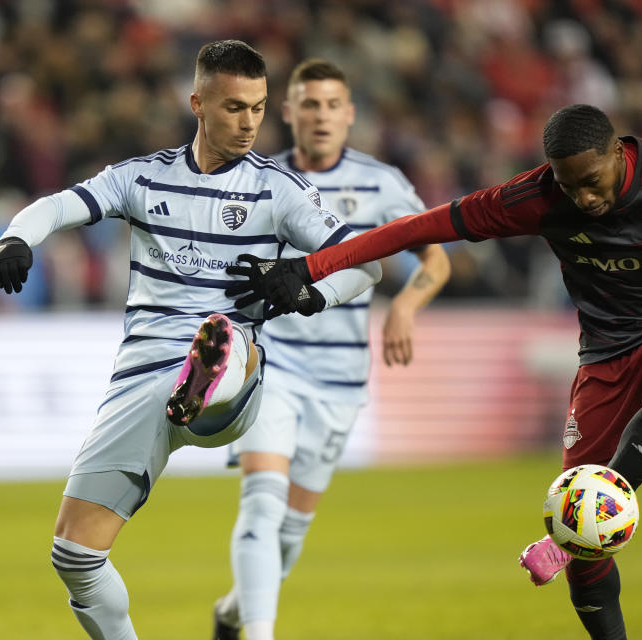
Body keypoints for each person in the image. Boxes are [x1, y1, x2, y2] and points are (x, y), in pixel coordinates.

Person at [224, 104, 642, 640]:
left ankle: (609, 494)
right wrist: (308, 268)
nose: (582, 196)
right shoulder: (538, 196)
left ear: (617, 154)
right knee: (586, 554)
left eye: (592, 180)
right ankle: (592, 554)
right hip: (606, 353)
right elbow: (418, 227)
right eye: (567, 183)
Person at [0, 40, 382, 640]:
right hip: (141, 383)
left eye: (258, 107)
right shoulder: (141, 178)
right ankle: (198, 375)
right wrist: (15, 238)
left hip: (233, 382)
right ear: (197, 103)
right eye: (233, 108)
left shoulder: (280, 191)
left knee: (225, 334)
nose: (249, 122)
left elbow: (364, 264)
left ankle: (210, 368)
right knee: (74, 557)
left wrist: (307, 289)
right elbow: (58, 206)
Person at [211, 59, 450, 640]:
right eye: (308, 104)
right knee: (262, 504)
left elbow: (435, 257)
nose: (320, 116)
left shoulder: (382, 183)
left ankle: (232, 614)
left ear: (349, 115)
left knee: (289, 535)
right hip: (270, 364)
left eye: (331, 105)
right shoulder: (257, 179)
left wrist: (405, 306)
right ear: (288, 112)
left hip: (339, 379)